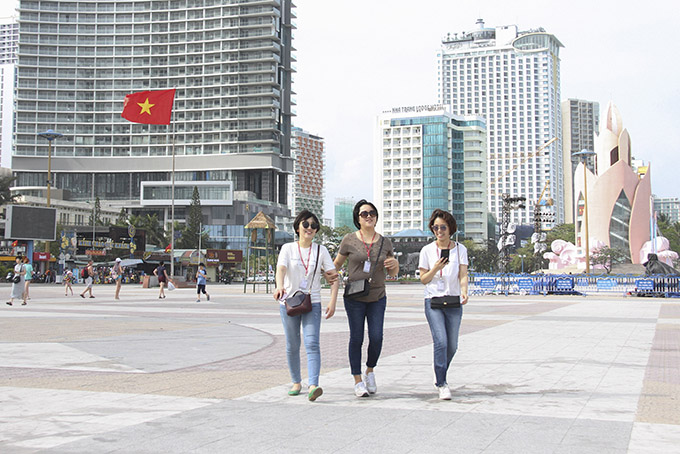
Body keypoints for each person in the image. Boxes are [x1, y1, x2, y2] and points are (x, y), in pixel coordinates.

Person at [334, 200, 399, 397]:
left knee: (377, 337)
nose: (369, 216)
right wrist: (324, 275)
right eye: (364, 214)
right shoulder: (348, 240)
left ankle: (370, 370)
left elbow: (393, 273)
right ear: (358, 219)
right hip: (354, 296)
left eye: (372, 213)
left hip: (378, 295)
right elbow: (336, 264)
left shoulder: (385, 242)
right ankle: (357, 380)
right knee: (357, 337)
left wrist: (395, 264)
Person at [273, 210, 339, 402]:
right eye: (305, 224)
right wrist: (279, 286)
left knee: (312, 342)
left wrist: (333, 301)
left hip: (313, 301)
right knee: (292, 344)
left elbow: (333, 277)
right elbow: (281, 269)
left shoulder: (321, 250)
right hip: (288, 301)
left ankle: (313, 385)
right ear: (297, 228)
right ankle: (296, 381)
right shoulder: (287, 248)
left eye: (313, 225)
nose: (310, 228)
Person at [418, 209, 469, 400]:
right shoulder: (427, 251)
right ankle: (442, 382)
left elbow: (463, 274)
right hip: (433, 300)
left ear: (451, 229)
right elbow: (423, 279)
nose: (439, 231)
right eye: (436, 227)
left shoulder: (460, 249)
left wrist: (464, 290)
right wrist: (436, 268)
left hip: (454, 300)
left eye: (443, 227)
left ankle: (440, 372)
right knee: (441, 341)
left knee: (452, 345)